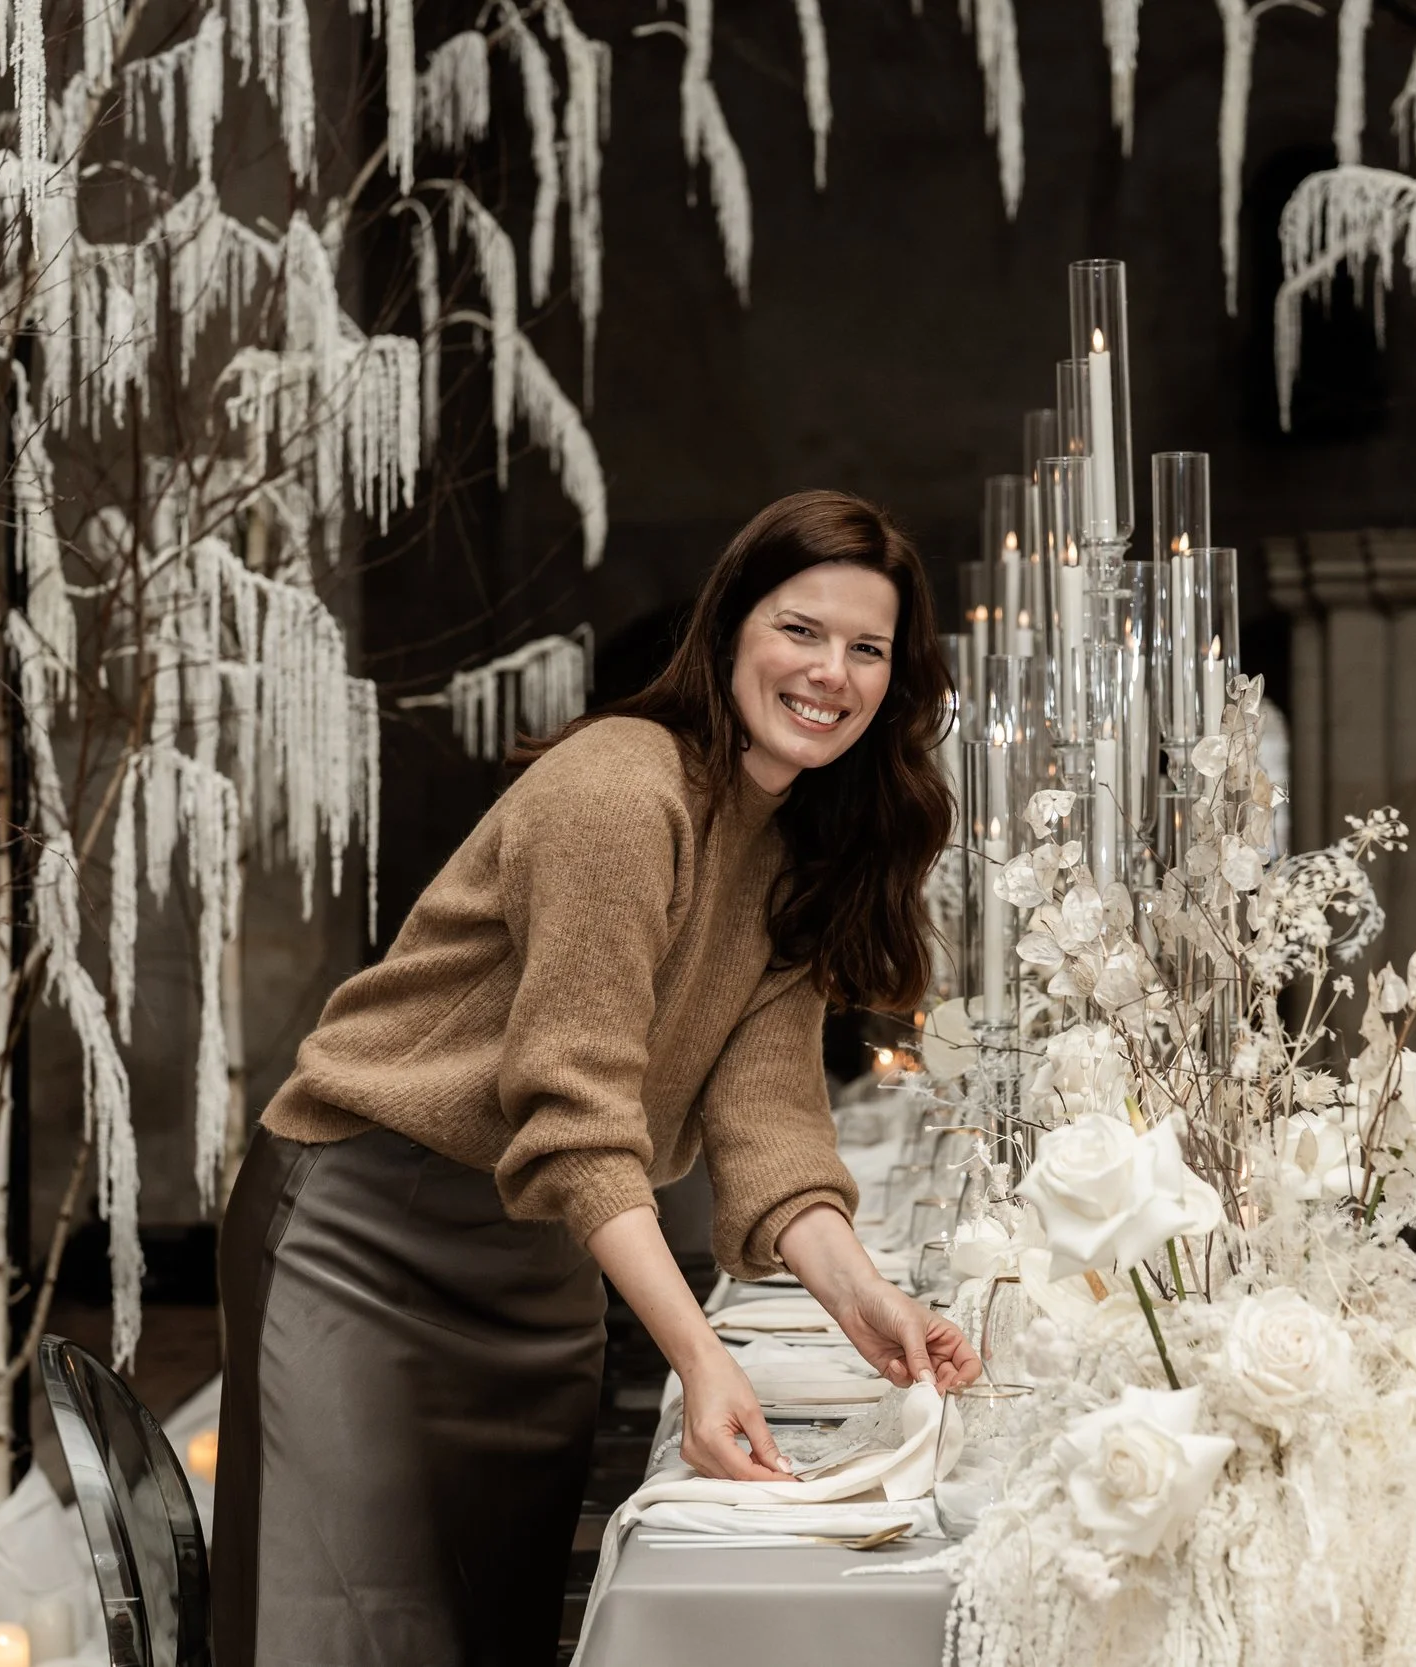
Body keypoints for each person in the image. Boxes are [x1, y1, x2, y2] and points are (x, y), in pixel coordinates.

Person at [211, 490, 983, 1667]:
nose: (830, 671)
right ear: (728, 629)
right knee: (342, 1631)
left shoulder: (796, 847)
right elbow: (572, 1115)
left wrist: (864, 1297)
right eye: (800, 629)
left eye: (866, 647)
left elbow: (766, 1117)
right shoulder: (622, 787)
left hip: (543, 1252)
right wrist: (700, 1355)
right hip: (367, 1229)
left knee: (491, 1628)